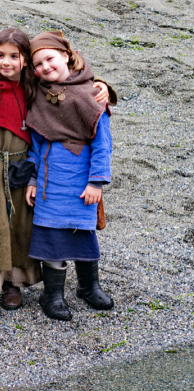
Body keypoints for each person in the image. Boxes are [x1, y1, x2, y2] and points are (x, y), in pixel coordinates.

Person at [0, 28, 111, 311]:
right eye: (0, 56)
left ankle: (14, 284)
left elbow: (71, 82)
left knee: (19, 226)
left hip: (24, 168)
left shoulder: (34, 87)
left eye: (14, 56)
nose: (7, 62)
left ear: (24, 61)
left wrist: (103, 84)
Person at [26, 31, 116, 321]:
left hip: (81, 184)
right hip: (49, 184)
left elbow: (103, 145)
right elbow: (35, 144)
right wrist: (31, 180)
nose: (44, 67)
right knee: (52, 238)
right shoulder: (38, 96)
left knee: (82, 233)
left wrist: (96, 182)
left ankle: (88, 287)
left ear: (65, 55)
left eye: (49, 58)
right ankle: (52, 295)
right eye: (37, 64)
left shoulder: (91, 94)